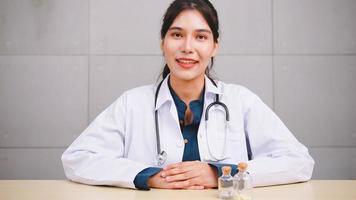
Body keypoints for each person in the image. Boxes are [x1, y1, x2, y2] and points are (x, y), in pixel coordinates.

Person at [62, 0, 314, 190]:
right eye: (177, 35)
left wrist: (220, 174)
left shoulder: (240, 101)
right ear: (163, 43)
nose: (187, 48)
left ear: (215, 46)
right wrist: (148, 176)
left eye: (201, 37)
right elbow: (77, 159)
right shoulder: (133, 103)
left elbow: (299, 162)